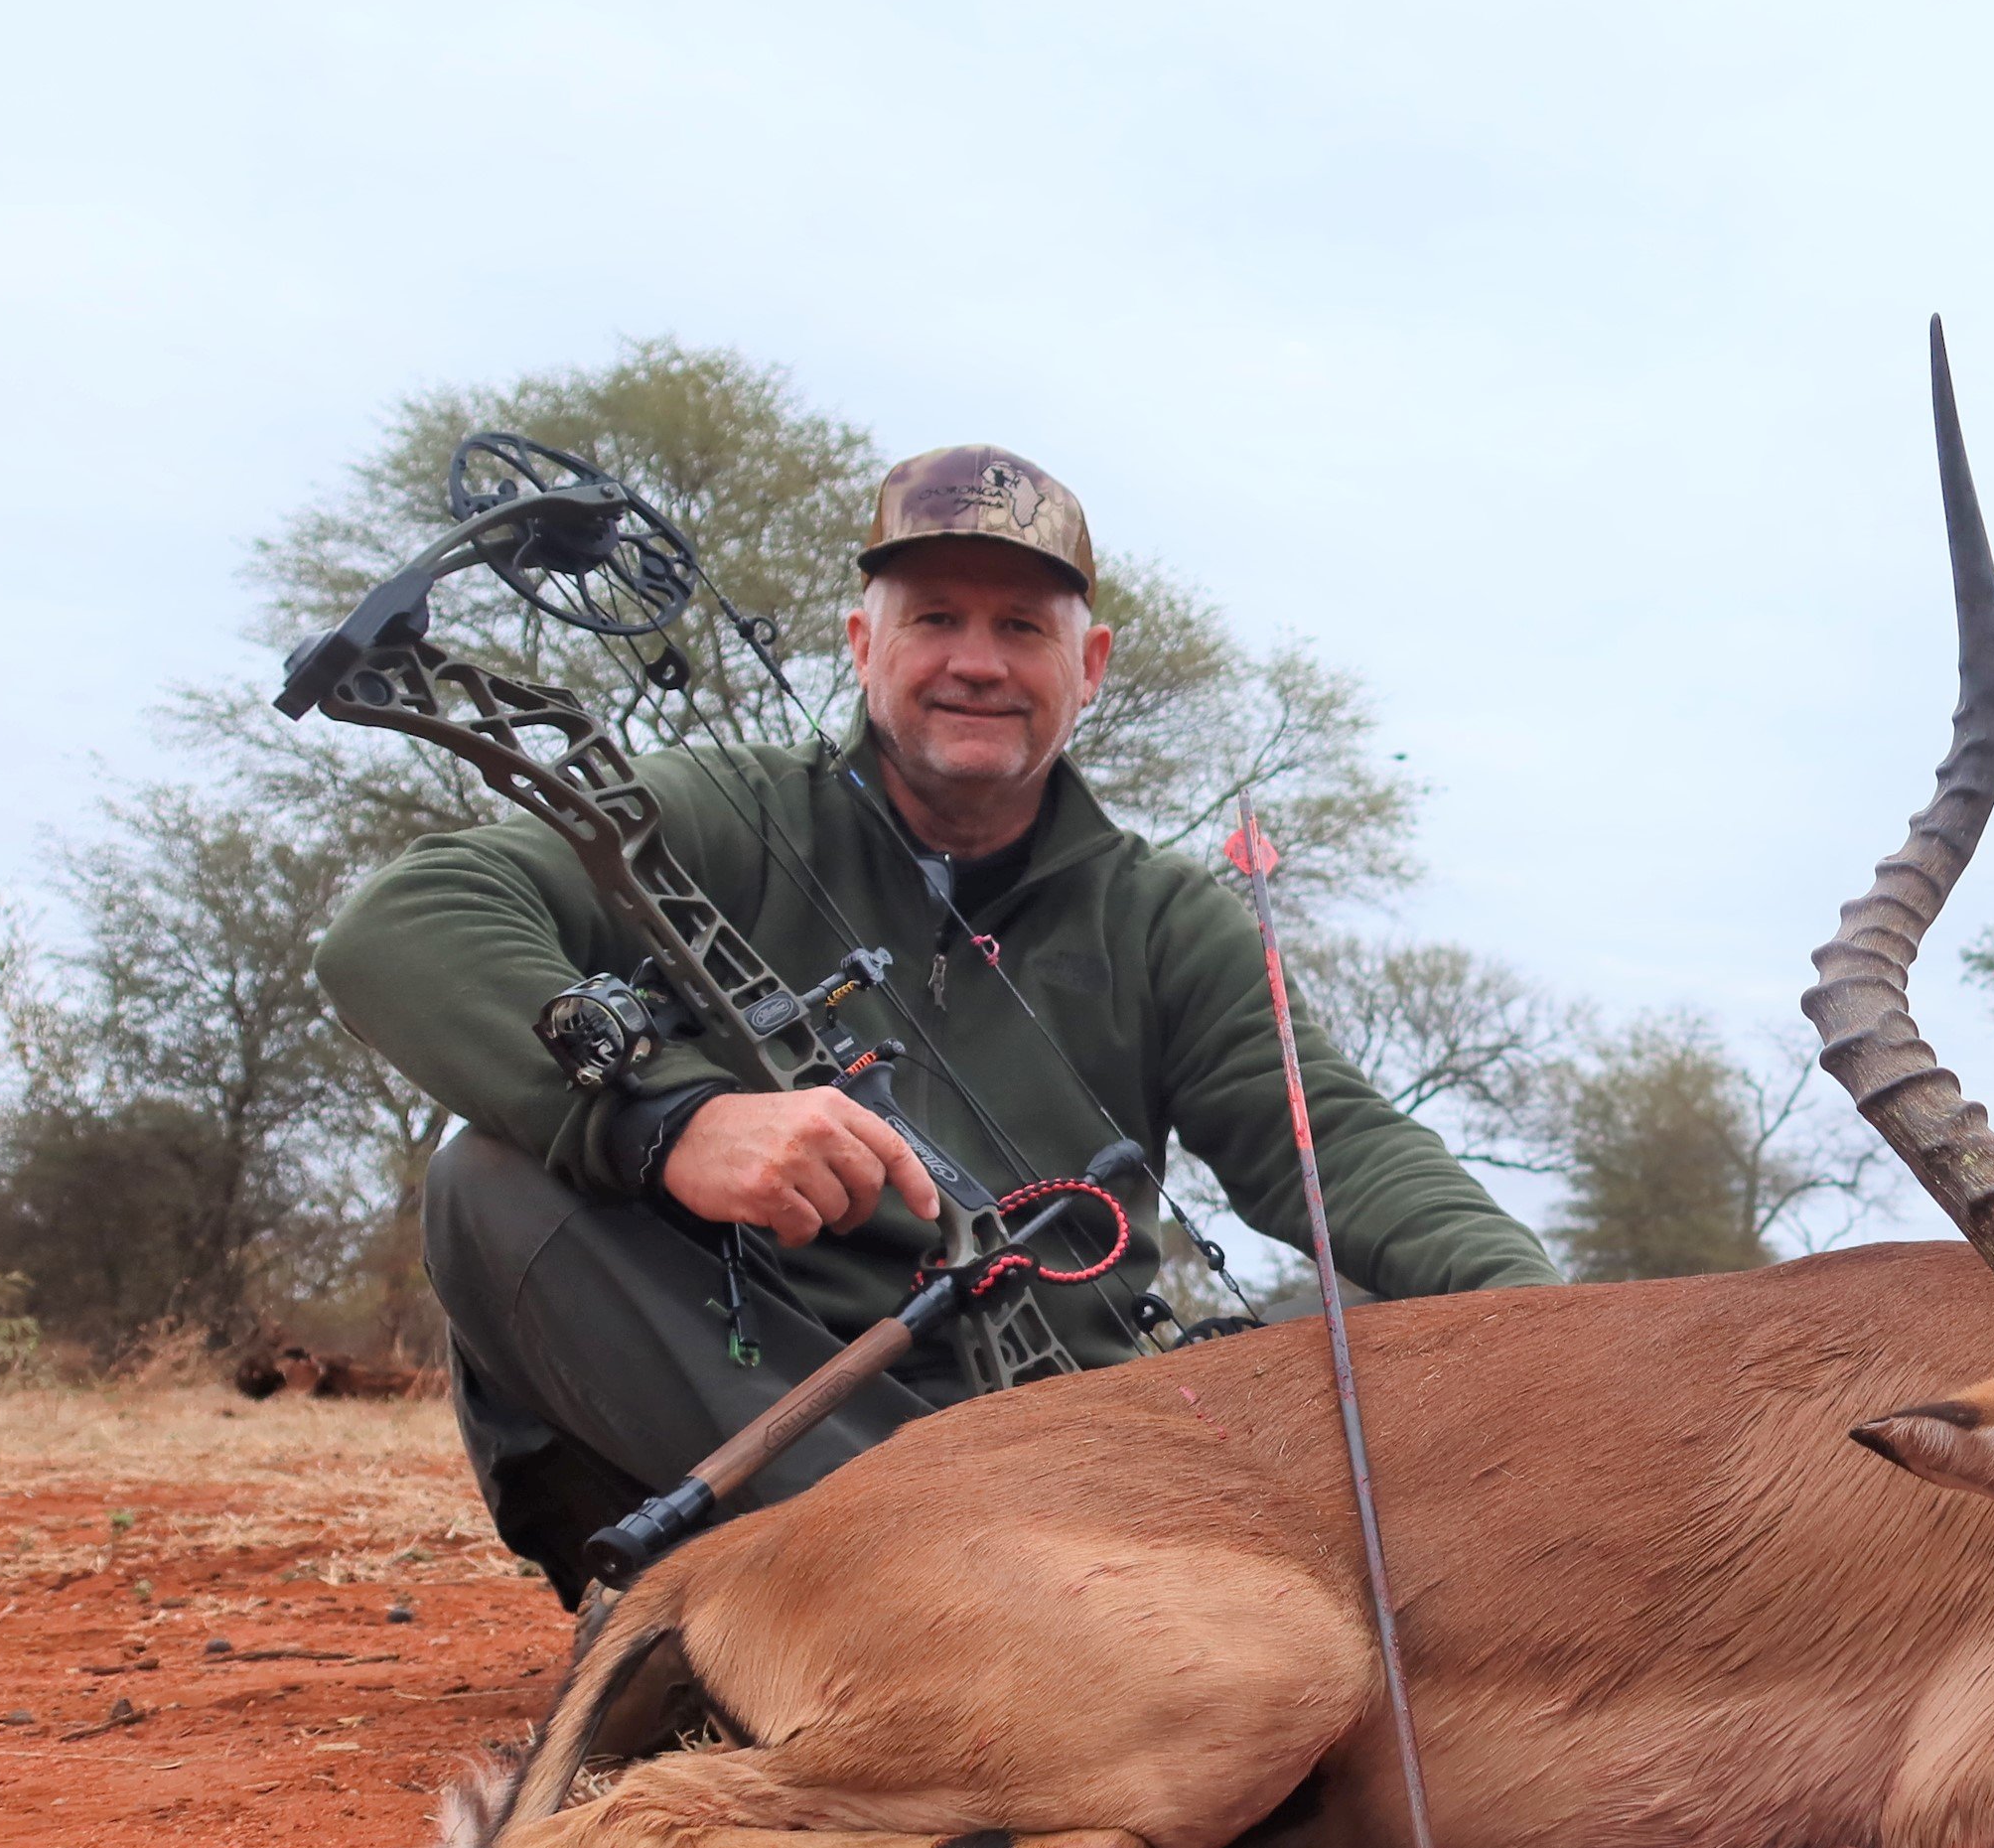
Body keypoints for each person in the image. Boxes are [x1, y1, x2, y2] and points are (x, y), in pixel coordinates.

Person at [317, 445, 1558, 1599]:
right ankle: (955, 1597)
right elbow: (402, 922)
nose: (978, 660)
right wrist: (673, 1115)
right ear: (863, 643)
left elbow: (1337, 1143)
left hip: (1067, 1442)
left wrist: (1567, 1335)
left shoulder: (1166, 921)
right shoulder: (713, 813)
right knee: (486, 1181)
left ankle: (963, 1603)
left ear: (1093, 665)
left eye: (1022, 625)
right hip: (742, 1417)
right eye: (936, 619)